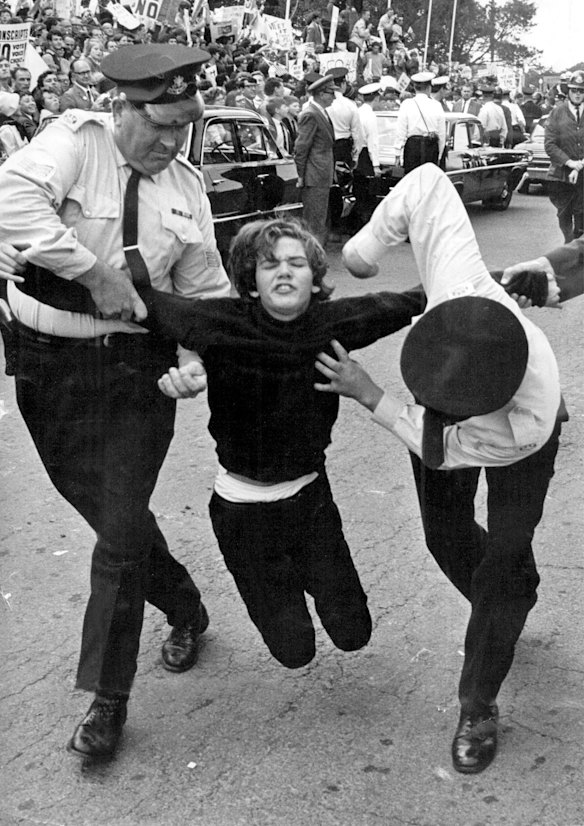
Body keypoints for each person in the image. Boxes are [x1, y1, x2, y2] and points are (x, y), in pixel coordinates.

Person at [0, 44, 230, 761]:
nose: (170, 145)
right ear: (121, 109)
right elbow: (8, 201)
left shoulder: (187, 189)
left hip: (137, 371)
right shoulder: (73, 145)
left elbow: (206, 292)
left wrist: (195, 360)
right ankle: (186, 604)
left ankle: (108, 697)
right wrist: (90, 269)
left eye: (183, 131)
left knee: (120, 526)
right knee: (104, 513)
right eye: (159, 128)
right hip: (47, 369)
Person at [318, 164, 564, 775]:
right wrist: (362, 249)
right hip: (441, 386)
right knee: (442, 534)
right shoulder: (462, 283)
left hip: (516, 447)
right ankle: (508, 599)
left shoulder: (521, 422)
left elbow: (433, 442)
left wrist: (370, 392)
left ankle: (477, 701)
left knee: (503, 558)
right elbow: (425, 181)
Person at [130, 218, 426, 671]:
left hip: (310, 503)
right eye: (270, 265)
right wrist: (25, 271)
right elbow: (133, 300)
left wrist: (498, 283)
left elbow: (405, 303)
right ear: (250, 283)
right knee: (294, 652)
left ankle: (313, 581)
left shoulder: (332, 324)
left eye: (296, 263)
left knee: (353, 633)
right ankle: (279, 590)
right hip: (242, 514)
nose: (284, 272)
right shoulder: (217, 324)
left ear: (314, 279)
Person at [294, 74, 336, 247]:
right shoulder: (311, 114)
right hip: (314, 174)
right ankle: (311, 255)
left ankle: (314, 254)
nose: (334, 97)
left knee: (319, 219)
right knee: (314, 221)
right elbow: (301, 148)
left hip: (320, 173)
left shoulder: (320, 112)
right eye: (331, 93)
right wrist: (300, 175)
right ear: (321, 94)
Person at [544, 70, 584, 243]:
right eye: (574, 90)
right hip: (562, 175)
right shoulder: (557, 113)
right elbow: (549, 144)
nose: (577, 94)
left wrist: (580, 164)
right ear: (568, 91)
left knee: (581, 219)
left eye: (581, 91)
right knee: (564, 216)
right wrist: (569, 162)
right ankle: (569, 247)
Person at [394, 71, 446, 174]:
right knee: (428, 180)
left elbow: (401, 131)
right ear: (429, 88)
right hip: (430, 147)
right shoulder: (436, 105)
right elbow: (441, 134)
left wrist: (397, 153)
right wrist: (439, 155)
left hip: (413, 148)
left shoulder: (407, 104)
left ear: (414, 88)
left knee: (412, 180)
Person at [325, 66, 363, 169]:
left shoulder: (321, 103)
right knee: (343, 179)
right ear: (343, 84)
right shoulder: (350, 105)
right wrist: (355, 156)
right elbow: (356, 132)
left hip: (324, 146)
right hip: (343, 148)